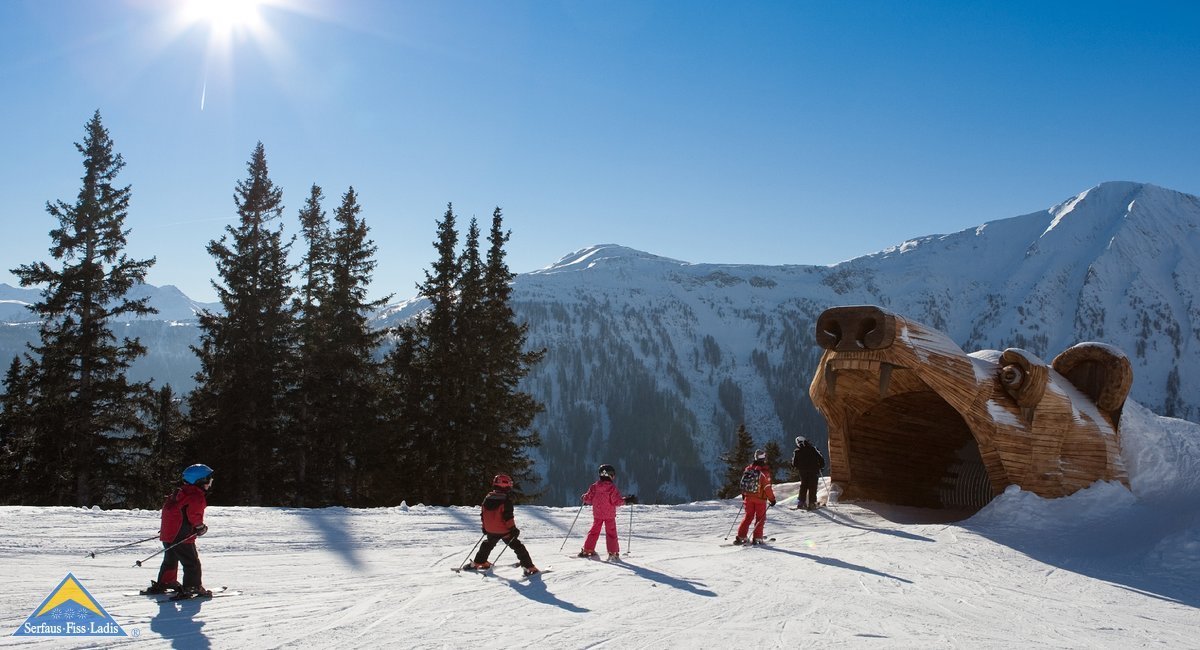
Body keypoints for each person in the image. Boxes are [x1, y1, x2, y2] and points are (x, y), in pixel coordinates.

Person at [145, 463, 213, 597]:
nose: (210, 484)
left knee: (170, 559)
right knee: (191, 563)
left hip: (168, 534)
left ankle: (166, 582)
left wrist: (167, 530)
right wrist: (200, 527)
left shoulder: (179, 493)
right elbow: (194, 515)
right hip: (182, 536)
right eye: (209, 481)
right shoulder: (196, 496)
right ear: (200, 481)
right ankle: (192, 587)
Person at [468, 474, 540, 576]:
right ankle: (529, 567)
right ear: (505, 485)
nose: (510, 485)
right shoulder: (505, 500)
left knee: (487, 544)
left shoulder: (487, 498)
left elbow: (483, 515)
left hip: (490, 529)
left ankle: (479, 562)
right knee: (519, 547)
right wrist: (513, 529)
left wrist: (485, 528)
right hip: (504, 531)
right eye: (509, 483)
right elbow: (508, 518)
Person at [578, 464, 638, 560]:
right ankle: (613, 552)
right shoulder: (611, 488)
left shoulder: (594, 486)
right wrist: (627, 500)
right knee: (611, 533)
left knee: (594, 531)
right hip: (609, 515)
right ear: (610, 475)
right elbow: (616, 501)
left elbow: (588, 499)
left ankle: (588, 549)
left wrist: (584, 498)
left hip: (597, 514)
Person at [735, 450, 776, 545]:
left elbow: (744, 483)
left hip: (748, 497)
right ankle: (757, 538)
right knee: (760, 518)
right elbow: (767, 487)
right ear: (764, 458)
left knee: (748, 516)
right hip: (760, 499)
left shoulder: (748, 469)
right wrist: (772, 499)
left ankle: (741, 536)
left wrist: (744, 494)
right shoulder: (764, 471)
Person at [792, 436, 826, 510]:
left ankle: (801, 503)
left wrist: (800, 467)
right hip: (813, 471)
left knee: (803, 486)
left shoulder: (797, 452)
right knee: (812, 486)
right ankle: (812, 503)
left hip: (803, 472)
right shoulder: (813, 449)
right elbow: (821, 459)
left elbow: (794, 463)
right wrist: (820, 467)